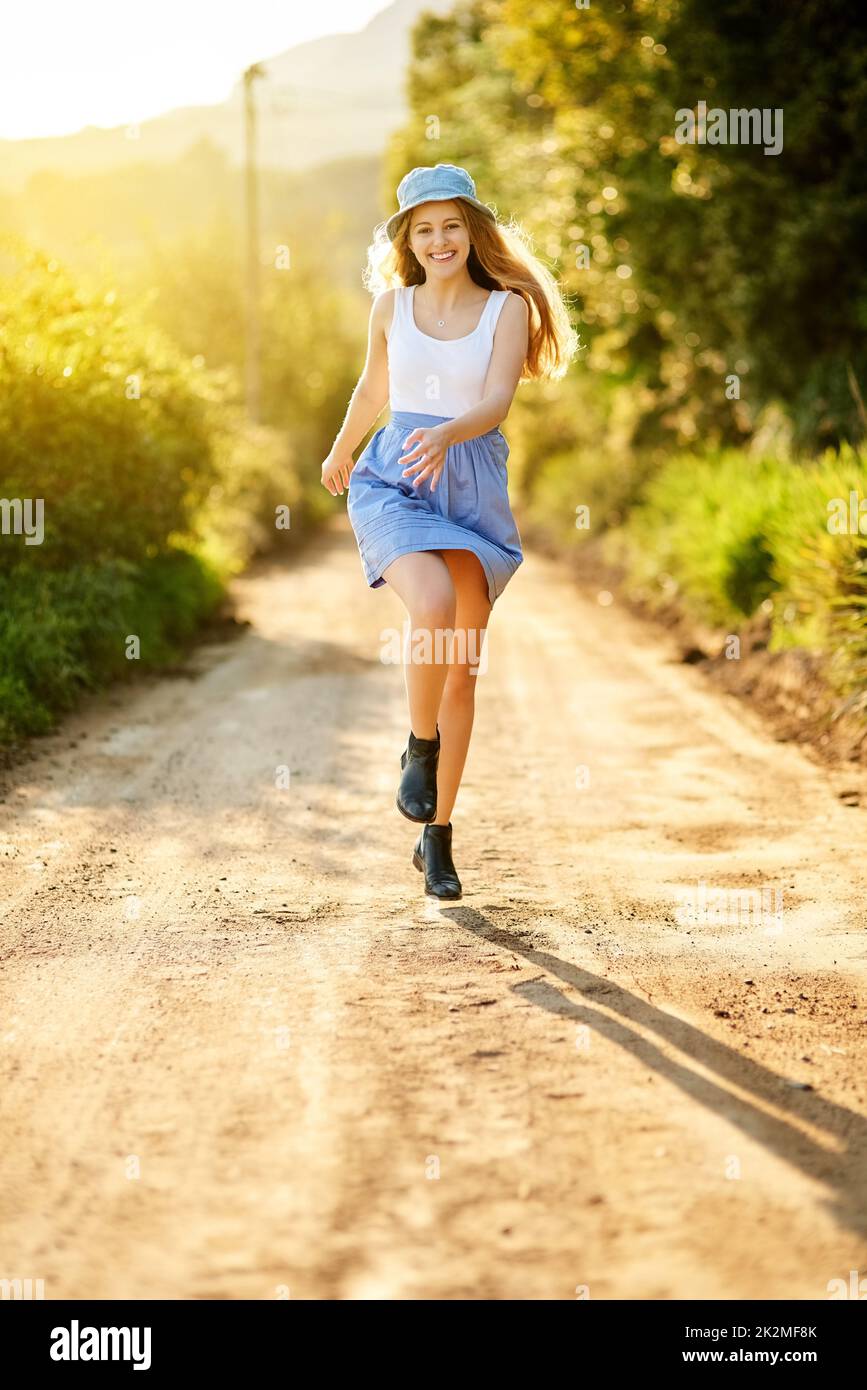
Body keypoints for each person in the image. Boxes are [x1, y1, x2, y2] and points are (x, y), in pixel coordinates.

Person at [321, 163, 576, 900]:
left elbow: (496, 401)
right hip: (395, 478)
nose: (439, 241)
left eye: (451, 226)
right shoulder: (389, 306)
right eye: (424, 229)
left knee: (460, 669)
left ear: (473, 231)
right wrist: (342, 447)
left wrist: (448, 436)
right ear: (407, 239)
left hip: (470, 484)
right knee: (429, 603)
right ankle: (417, 745)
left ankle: (437, 840)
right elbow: (374, 387)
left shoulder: (507, 309)